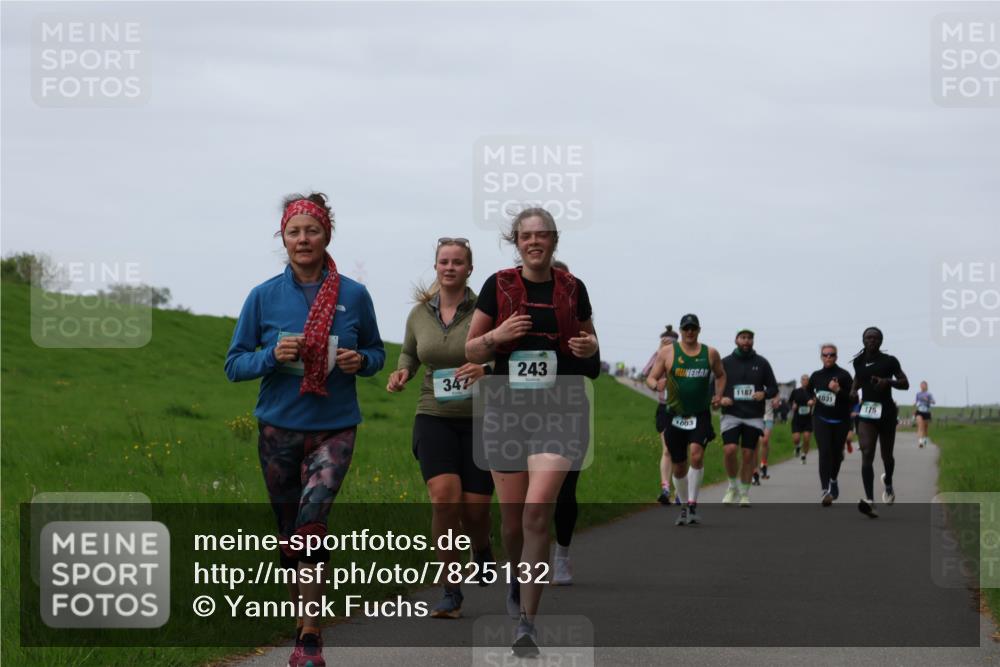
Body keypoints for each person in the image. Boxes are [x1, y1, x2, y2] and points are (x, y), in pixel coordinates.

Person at [225, 192, 385, 667]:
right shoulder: (263, 296)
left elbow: (377, 353)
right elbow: (235, 365)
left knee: (311, 525)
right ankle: (301, 619)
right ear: (283, 238)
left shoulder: (354, 295)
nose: (302, 239)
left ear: (326, 234)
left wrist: (362, 361)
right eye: (294, 232)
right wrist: (271, 356)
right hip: (278, 428)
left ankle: (310, 638)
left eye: (311, 230)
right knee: (289, 531)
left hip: (334, 428)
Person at [465, 208, 600, 656]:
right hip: (507, 408)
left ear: (554, 240)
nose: (534, 242)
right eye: (526, 236)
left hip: (560, 408)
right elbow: (472, 346)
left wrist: (588, 345)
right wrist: (499, 334)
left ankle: (527, 621)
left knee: (538, 510)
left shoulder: (572, 287)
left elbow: (591, 343)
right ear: (516, 241)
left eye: (542, 235)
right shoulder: (497, 285)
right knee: (513, 525)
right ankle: (515, 574)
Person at [386, 237, 493, 618]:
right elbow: (410, 352)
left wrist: (487, 369)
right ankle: (450, 590)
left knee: (476, 510)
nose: (450, 267)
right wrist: (403, 371)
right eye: (444, 261)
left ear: (469, 268)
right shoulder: (418, 314)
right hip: (433, 415)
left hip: (482, 419)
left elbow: (503, 353)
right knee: (444, 499)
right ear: (435, 266)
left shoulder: (486, 310)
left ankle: (482, 549)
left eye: (458, 262)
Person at [645, 314, 726, 525]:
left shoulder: (710, 353)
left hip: (700, 414)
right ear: (681, 331)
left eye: (693, 328)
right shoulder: (667, 352)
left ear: (699, 330)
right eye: (686, 329)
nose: (690, 332)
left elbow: (721, 375)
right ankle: (682, 506)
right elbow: (651, 377)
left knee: (697, 455)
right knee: (679, 466)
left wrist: (718, 395)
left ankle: (692, 503)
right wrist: (656, 385)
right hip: (675, 415)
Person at [550, 259, 584, 586]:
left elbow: (592, 370)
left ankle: (561, 555)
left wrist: (584, 351)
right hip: (523, 414)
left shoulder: (578, 322)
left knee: (565, 491)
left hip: (569, 413)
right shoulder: (518, 319)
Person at [850, 327, 909, 518]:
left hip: (887, 414)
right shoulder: (858, 361)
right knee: (867, 452)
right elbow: (859, 378)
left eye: (875, 338)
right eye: (868, 338)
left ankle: (888, 483)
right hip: (867, 414)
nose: (872, 340)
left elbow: (905, 383)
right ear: (863, 340)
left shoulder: (889, 361)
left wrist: (887, 382)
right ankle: (870, 501)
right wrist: (852, 391)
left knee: (887, 457)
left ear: (881, 341)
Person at [719, 329, 778, 507]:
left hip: (753, 416)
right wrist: (720, 398)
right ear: (736, 340)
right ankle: (732, 486)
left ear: (753, 341)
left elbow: (773, 388)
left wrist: (764, 393)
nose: (746, 341)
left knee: (747, 454)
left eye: (749, 338)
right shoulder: (725, 363)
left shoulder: (762, 363)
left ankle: (744, 492)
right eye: (743, 338)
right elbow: (713, 385)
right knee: (729, 450)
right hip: (731, 414)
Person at [808, 344, 855, 506]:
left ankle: (833, 480)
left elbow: (853, 399)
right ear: (821, 357)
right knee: (824, 451)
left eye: (831, 355)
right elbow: (808, 391)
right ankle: (824, 490)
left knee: (837, 455)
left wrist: (838, 390)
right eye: (825, 355)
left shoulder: (844, 375)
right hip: (821, 419)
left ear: (836, 357)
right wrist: (809, 399)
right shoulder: (816, 376)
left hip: (840, 421)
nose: (828, 357)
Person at [645, 325, 680, 505]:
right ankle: (665, 489)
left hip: (682, 409)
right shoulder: (659, 356)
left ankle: (680, 489)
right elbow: (646, 374)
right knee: (667, 449)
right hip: (664, 408)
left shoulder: (683, 357)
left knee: (679, 451)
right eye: (664, 342)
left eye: (671, 343)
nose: (667, 346)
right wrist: (658, 352)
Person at [789, 376, 814, 464]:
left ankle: (804, 455)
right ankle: (797, 447)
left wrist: (812, 403)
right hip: (797, 418)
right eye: (803, 380)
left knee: (806, 438)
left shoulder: (812, 392)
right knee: (796, 438)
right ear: (801, 381)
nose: (805, 381)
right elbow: (790, 401)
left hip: (808, 419)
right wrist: (793, 405)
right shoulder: (796, 391)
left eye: (807, 380)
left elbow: (816, 401)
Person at [914, 381, 935, 448]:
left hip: (926, 412)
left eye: (924, 385)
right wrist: (914, 408)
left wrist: (927, 400)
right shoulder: (918, 394)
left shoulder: (929, 394)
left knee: (925, 428)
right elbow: (916, 402)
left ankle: (925, 440)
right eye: (921, 385)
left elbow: (934, 402)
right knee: (920, 426)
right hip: (919, 411)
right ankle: (920, 442)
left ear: (926, 386)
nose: (922, 386)